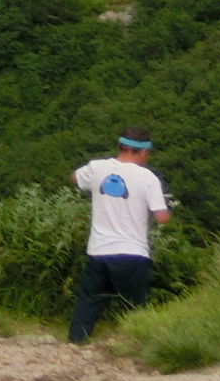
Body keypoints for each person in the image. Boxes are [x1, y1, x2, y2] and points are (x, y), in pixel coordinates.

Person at [68, 128, 170, 345]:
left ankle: (75, 344)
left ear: (121, 146)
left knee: (89, 301)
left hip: (98, 251)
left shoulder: (97, 168)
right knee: (133, 307)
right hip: (133, 253)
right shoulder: (148, 178)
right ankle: (134, 345)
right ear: (143, 152)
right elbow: (162, 217)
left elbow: (75, 178)